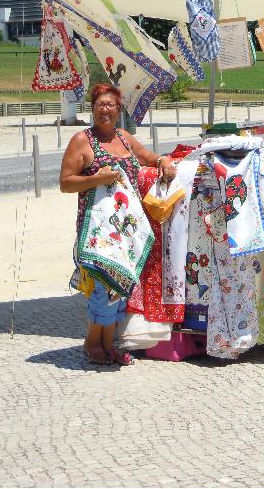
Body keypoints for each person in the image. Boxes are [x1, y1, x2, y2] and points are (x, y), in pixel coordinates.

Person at [59, 84, 176, 365]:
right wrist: (97, 179)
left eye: (110, 104)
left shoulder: (124, 138)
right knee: (102, 286)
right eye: (100, 104)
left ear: (118, 109)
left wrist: (164, 160)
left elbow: (147, 157)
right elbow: (66, 183)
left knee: (122, 286)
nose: (105, 110)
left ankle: (109, 343)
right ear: (92, 108)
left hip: (127, 229)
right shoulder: (82, 141)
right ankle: (92, 343)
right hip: (98, 230)